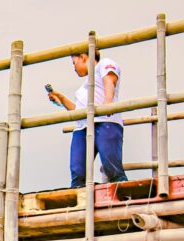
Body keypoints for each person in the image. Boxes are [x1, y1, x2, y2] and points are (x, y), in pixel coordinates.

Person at [47, 50, 128, 188]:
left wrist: (108, 103)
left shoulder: (104, 64)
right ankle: (81, 202)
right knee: (78, 172)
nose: (74, 67)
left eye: (74, 63)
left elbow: (110, 80)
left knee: (112, 167)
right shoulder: (84, 88)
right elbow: (78, 111)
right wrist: (61, 99)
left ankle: (124, 196)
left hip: (105, 121)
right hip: (83, 127)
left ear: (83, 57)